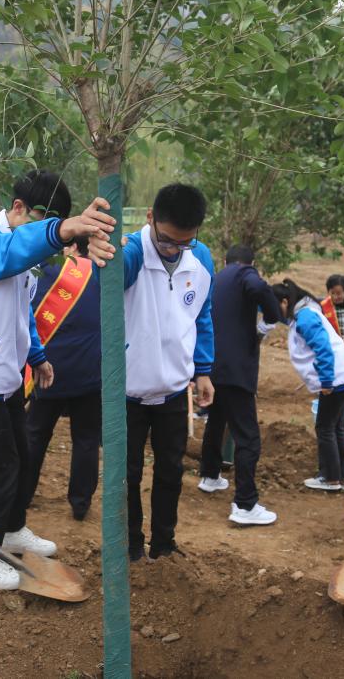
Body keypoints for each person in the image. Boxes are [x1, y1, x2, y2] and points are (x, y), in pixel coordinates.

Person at [0, 170, 113, 589]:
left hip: (7, 379)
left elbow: (22, 310)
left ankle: (12, 530)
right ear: (18, 207)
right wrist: (59, 230)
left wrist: (36, 355)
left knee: (20, 457)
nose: (45, 234)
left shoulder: (24, 251)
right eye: (41, 221)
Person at [88, 183, 216, 561]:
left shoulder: (200, 258)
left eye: (185, 242)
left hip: (174, 391)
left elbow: (201, 315)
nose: (175, 249)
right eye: (167, 240)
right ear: (149, 219)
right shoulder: (130, 253)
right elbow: (106, 278)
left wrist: (203, 370)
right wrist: (101, 251)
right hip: (126, 394)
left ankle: (163, 544)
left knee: (170, 473)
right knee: (126, 476)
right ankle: (129, 546)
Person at [196, 244, 280, 525]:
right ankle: (245, 504)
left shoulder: (216, 278)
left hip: (212, 366)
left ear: (225, 260)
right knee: (248, 436)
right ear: (250, 263)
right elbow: (259, 288)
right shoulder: (245, 273)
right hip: (236, 370)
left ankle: (210, 476)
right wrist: (269, 320)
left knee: (216, 421)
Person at [25, 236, 101, 521]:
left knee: (35, 434)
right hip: (90, 372)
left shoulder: (40, 270)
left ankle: (22, 495)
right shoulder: (99, 274)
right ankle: (81, 503)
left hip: (48, 371)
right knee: (86, 439)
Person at [273, 279, 344, 493]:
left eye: (274, 307)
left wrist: (326, 380)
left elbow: (323, 348)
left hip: (335, 378)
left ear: (285, 302)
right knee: (336, 426)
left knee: (325, 428)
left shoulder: (305, 317)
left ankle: (330, 478)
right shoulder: (304, 313)